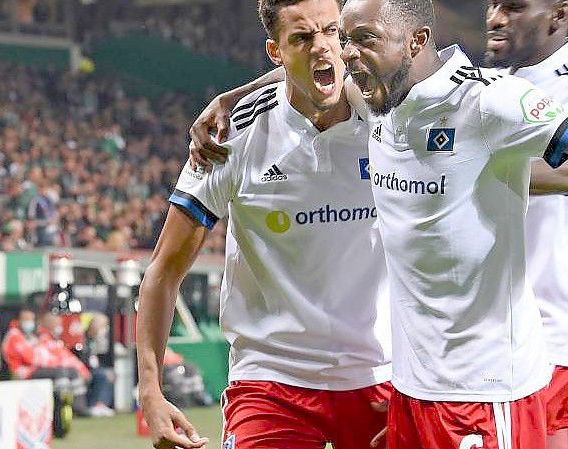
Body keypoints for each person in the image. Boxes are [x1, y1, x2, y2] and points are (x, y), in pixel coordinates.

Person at [192, 1, 568, 447]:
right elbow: (307, 74)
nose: (345, 55)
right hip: (412, 390)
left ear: (415, 41)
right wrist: (229, 98)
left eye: (362, 40)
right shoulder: (375, 98)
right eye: (345, 41)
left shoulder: (484, 102)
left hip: (483, 390)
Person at [135, 1, 391, 449]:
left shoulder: (389, 119)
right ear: (275, 51)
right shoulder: (231, 136)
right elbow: (162, 272)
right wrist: (151, 392)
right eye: (302, 38)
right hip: (270, 382)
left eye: (331, 32)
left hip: (379, 378)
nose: (322, 48)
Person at [485, 1, 568, 446]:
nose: (495, 18)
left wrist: (453, 172)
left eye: (514, 7)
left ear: (557, 15)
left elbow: (567, 171)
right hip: (516, 319)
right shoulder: (495, 82)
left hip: (550, 320)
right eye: (491, 4)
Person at [1, 307, 91, 416]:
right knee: (61, 373)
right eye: (25, 319)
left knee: (72, 372)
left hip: (38, 369)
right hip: (22, 373)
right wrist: (55, 364)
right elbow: (33, 359)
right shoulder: (14, 336)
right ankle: (60, 409)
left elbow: (57, 354)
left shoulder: (35, 336)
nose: (28, 322)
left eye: (30, 319)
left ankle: (78, 407)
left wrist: (81, 369)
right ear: (18, 320)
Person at [80, 313, 115, 416]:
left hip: (93, 368)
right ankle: (94, 405)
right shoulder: (83, 338)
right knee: (102, 375)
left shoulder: (95, 340)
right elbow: (84, 358)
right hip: (84, 369)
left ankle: (103, 404)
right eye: (103, 326)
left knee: (109, 373)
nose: (105, 329)